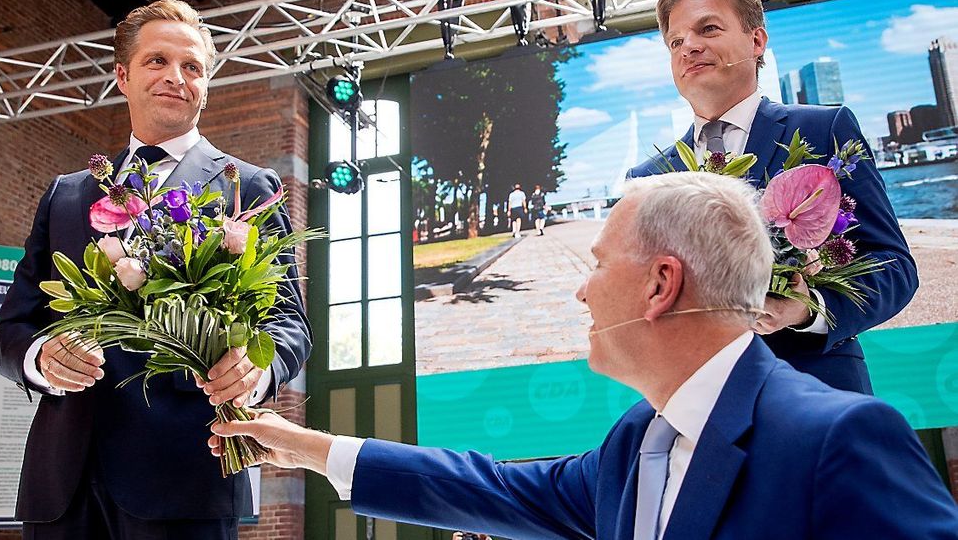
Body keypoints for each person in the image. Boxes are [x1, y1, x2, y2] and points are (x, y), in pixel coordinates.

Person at [209, 172, 958, 540]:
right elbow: (494, 488)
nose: (581, 294)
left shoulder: (838, 441)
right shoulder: (639, 441)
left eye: (595, 265)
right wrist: (305, 448)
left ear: (663, 283)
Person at [0, 0, 312, 539]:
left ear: (206, 85)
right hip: (63, 481)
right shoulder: (67, 196)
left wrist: (257, 369)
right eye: (157, 61)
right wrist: (39, 358)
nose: (175, 77)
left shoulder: (248, 187)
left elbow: (288, 324)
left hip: (186, 475)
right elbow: (10, 332)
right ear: (122, 75)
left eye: (193, 67)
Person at [627, 0, 916, 395]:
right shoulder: (649, 179)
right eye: (676, 41)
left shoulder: (825, 130)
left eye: (708, 28)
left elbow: (894, 267)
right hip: (702, 407)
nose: (689, 46)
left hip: (820, 392)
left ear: (757, 41)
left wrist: (807, 310)